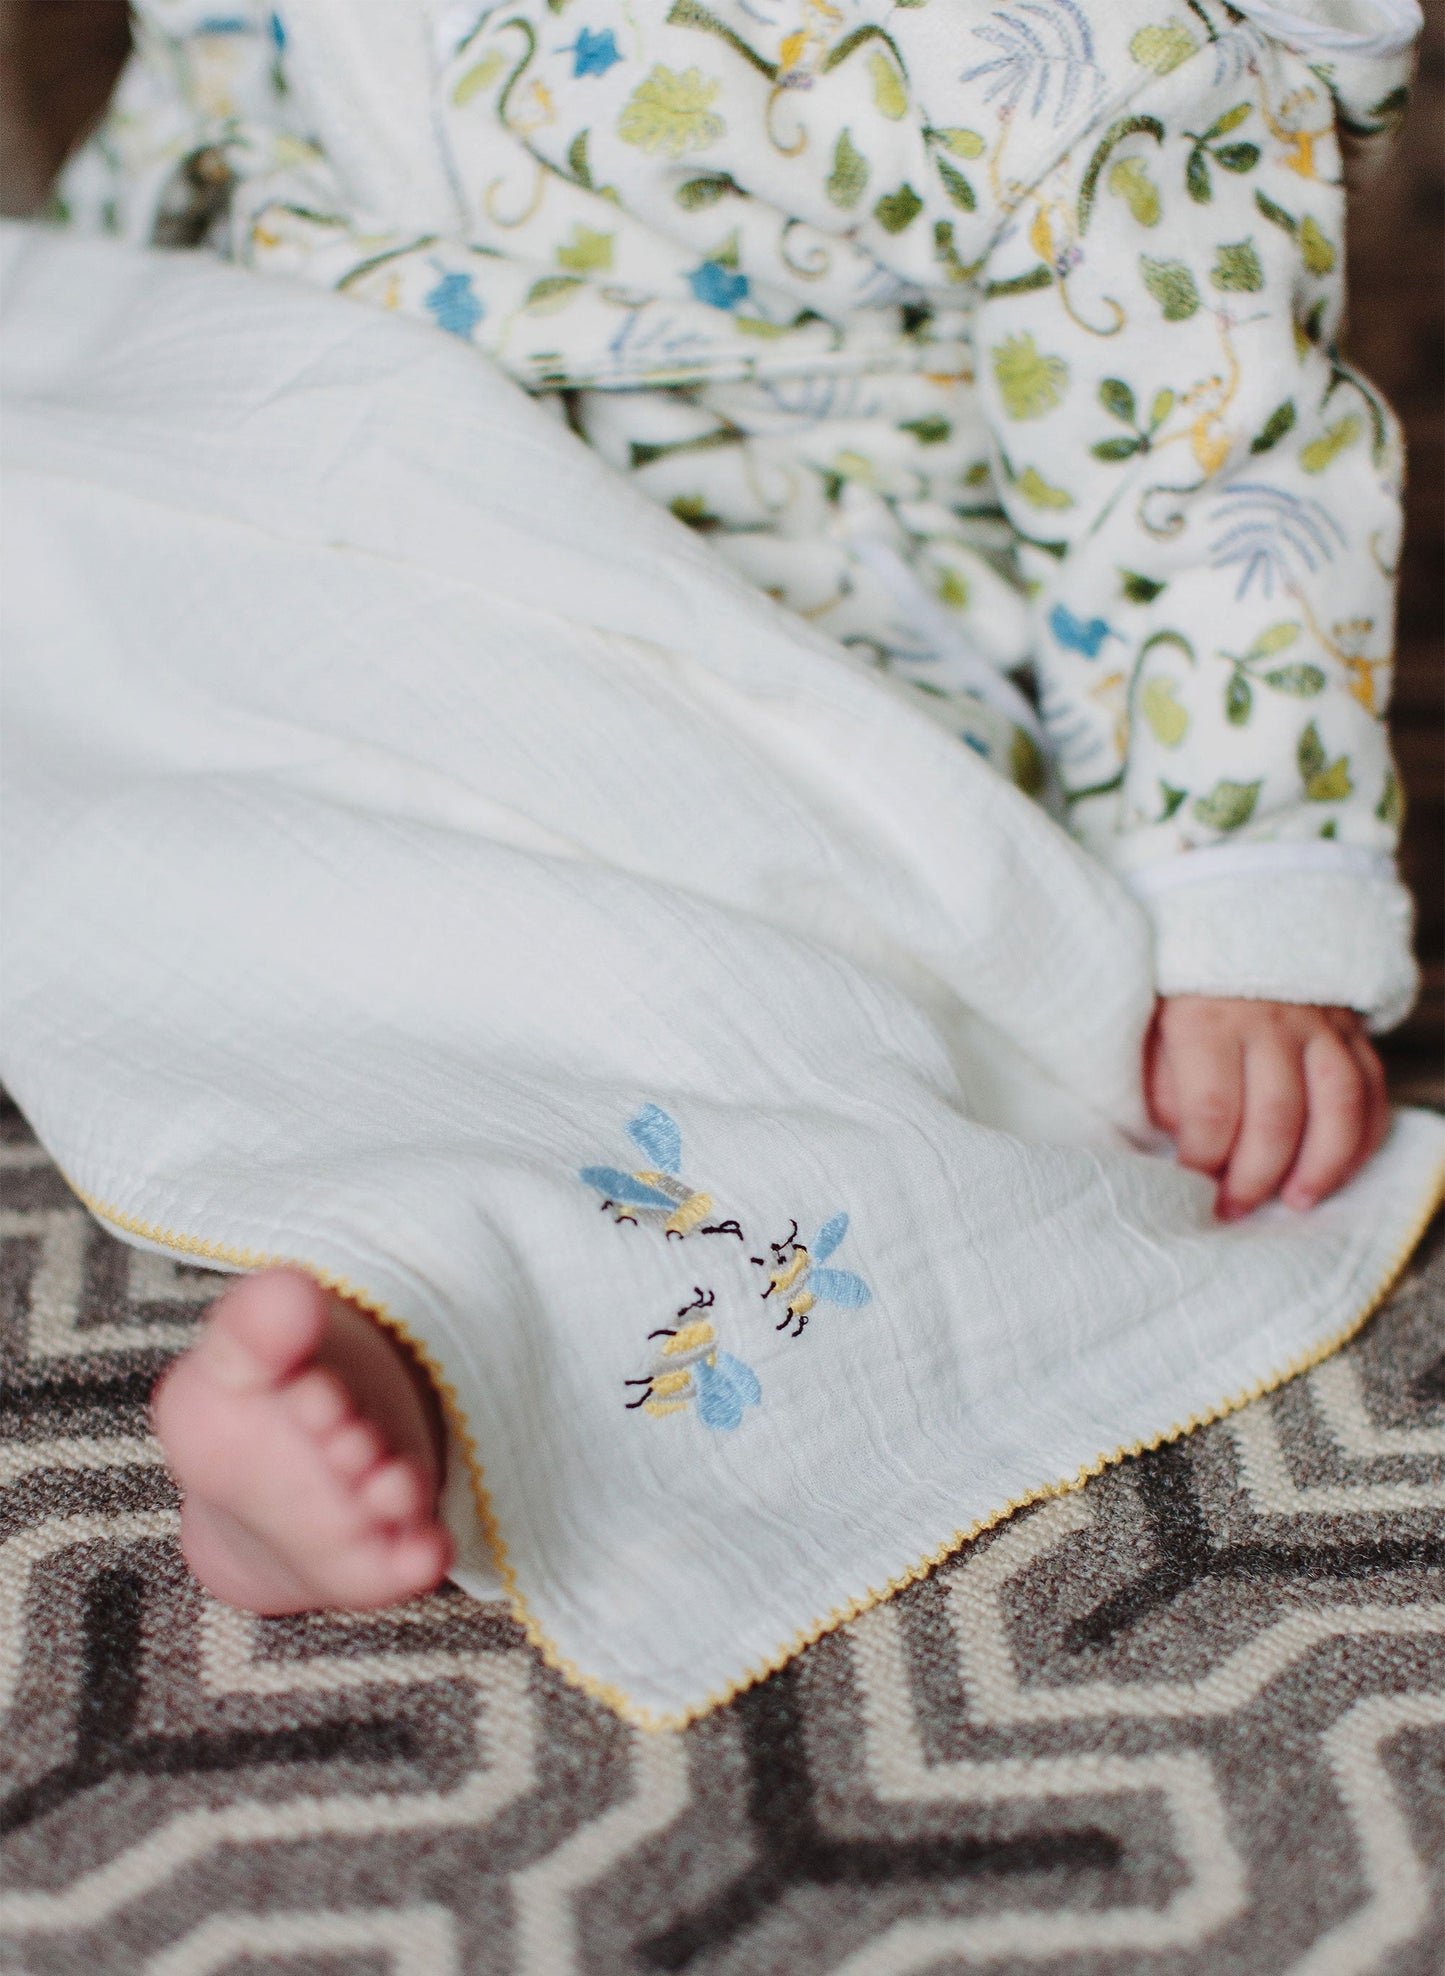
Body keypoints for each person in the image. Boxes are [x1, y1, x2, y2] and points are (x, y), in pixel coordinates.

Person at [49, 0, 1421, 1619]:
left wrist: (1240, 889)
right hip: (347, 521)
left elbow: (1206, 458)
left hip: (785, 644)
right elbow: (181, 170)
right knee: (94, 660)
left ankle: (420, 1358)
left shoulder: (1071, 46)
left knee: (771, 1044)